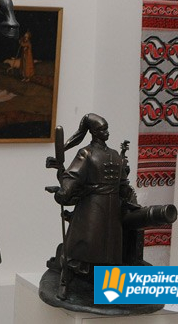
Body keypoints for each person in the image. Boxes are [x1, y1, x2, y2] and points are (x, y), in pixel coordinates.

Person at [51, 113, 133, 300]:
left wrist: (126, 192)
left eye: (107, 128)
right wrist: (64, 191)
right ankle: (65, 281)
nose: (107, 132)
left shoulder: (114, 154)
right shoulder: (86, 153)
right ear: (94, 132)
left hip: (112, 209)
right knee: (81, 245)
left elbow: (122, 182)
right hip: (92, 207)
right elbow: (73, 176)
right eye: (102, 130)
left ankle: (112, 292)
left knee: (111, 249)